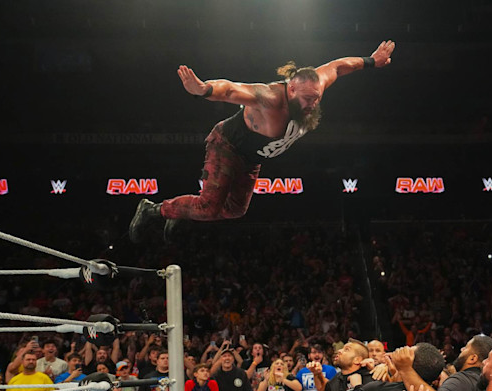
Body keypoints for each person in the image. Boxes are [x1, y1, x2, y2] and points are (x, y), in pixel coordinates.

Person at [129, 41, 396, 242]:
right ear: (291, 88)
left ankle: (184, 212)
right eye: (307, 99)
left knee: (235, 210)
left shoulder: (315, 86)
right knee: (208, 207)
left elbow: (339, 66)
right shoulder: (269, 98)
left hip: (251, 158)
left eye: (316, 98)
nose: (312, 104)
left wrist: (371, 60)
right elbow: (232, 89)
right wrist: (204, 90)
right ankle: (154, 209)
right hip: (227, 145)